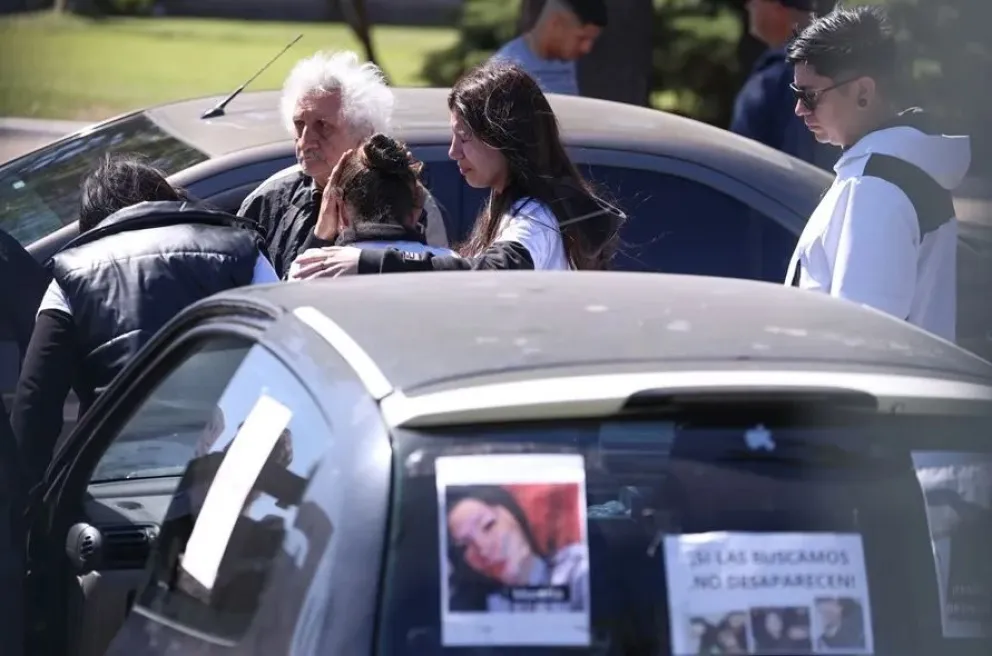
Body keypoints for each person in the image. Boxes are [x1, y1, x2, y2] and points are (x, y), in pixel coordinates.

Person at [11, 155, 277, 486]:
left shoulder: (69, 274)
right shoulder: (245, 251)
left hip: (120, 479)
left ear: (91, 222)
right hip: (231, 470)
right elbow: (287, 356)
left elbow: (36, 402)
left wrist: (25, 505)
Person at [289, 61, 624, 278]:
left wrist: (367, 262)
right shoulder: (513, 208)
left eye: (464, 137)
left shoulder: (535, 218)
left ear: (503, 138)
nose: (453, 152)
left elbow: (495, 269)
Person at [783, 5, 970, 342]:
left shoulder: (875, 187)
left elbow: (861, 338)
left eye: (809, 96)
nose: (799, 108)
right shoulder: (894, 169)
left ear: (863, 93)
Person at [238, 50, 449, 279]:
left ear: (365, 133)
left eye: (323, 126)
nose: (306, 141)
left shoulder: (408, 199)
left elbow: (434, 285)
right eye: (299, 124)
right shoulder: (269, 199)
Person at [288, 133, 456, 279]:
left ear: (342, 213)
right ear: (416, 210)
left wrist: (319, 237)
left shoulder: (309, 268)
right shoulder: (451, 266)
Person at [445, 485, 588, 613]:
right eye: (465, 546)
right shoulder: (483, 608)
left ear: (514, 515)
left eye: (488, 525)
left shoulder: (576, 570)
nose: (483, 550)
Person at [731, 0, 837, 170]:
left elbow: (741, 165)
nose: (748, 6)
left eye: (755, 1)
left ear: (777, 8)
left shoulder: (781, 78)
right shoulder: (841, 67)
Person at [491, 0, 607, 97]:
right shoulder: (503, 72)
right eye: (581, 38)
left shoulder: (570, 61)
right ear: (555, 24)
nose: (586, 48)